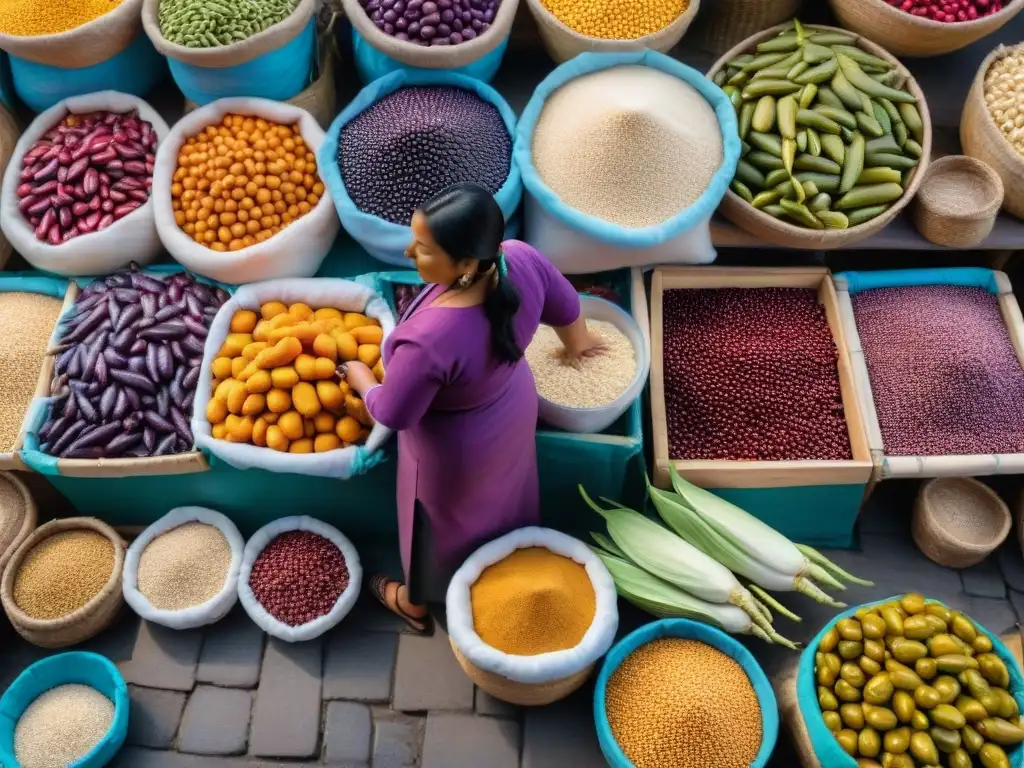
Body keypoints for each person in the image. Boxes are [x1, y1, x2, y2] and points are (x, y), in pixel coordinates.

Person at [341, 181, 605, 634]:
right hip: (510, 412)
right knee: (505, 498)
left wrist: (363, 380)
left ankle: (416, 602)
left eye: (422, 249)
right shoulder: (518, 256)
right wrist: (578, 346)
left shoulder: (428, 341)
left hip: (451, 452)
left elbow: (393, 414)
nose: (408, 254)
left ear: (464, 263)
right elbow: (566, 307)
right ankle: (504, 573)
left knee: (435, 526)